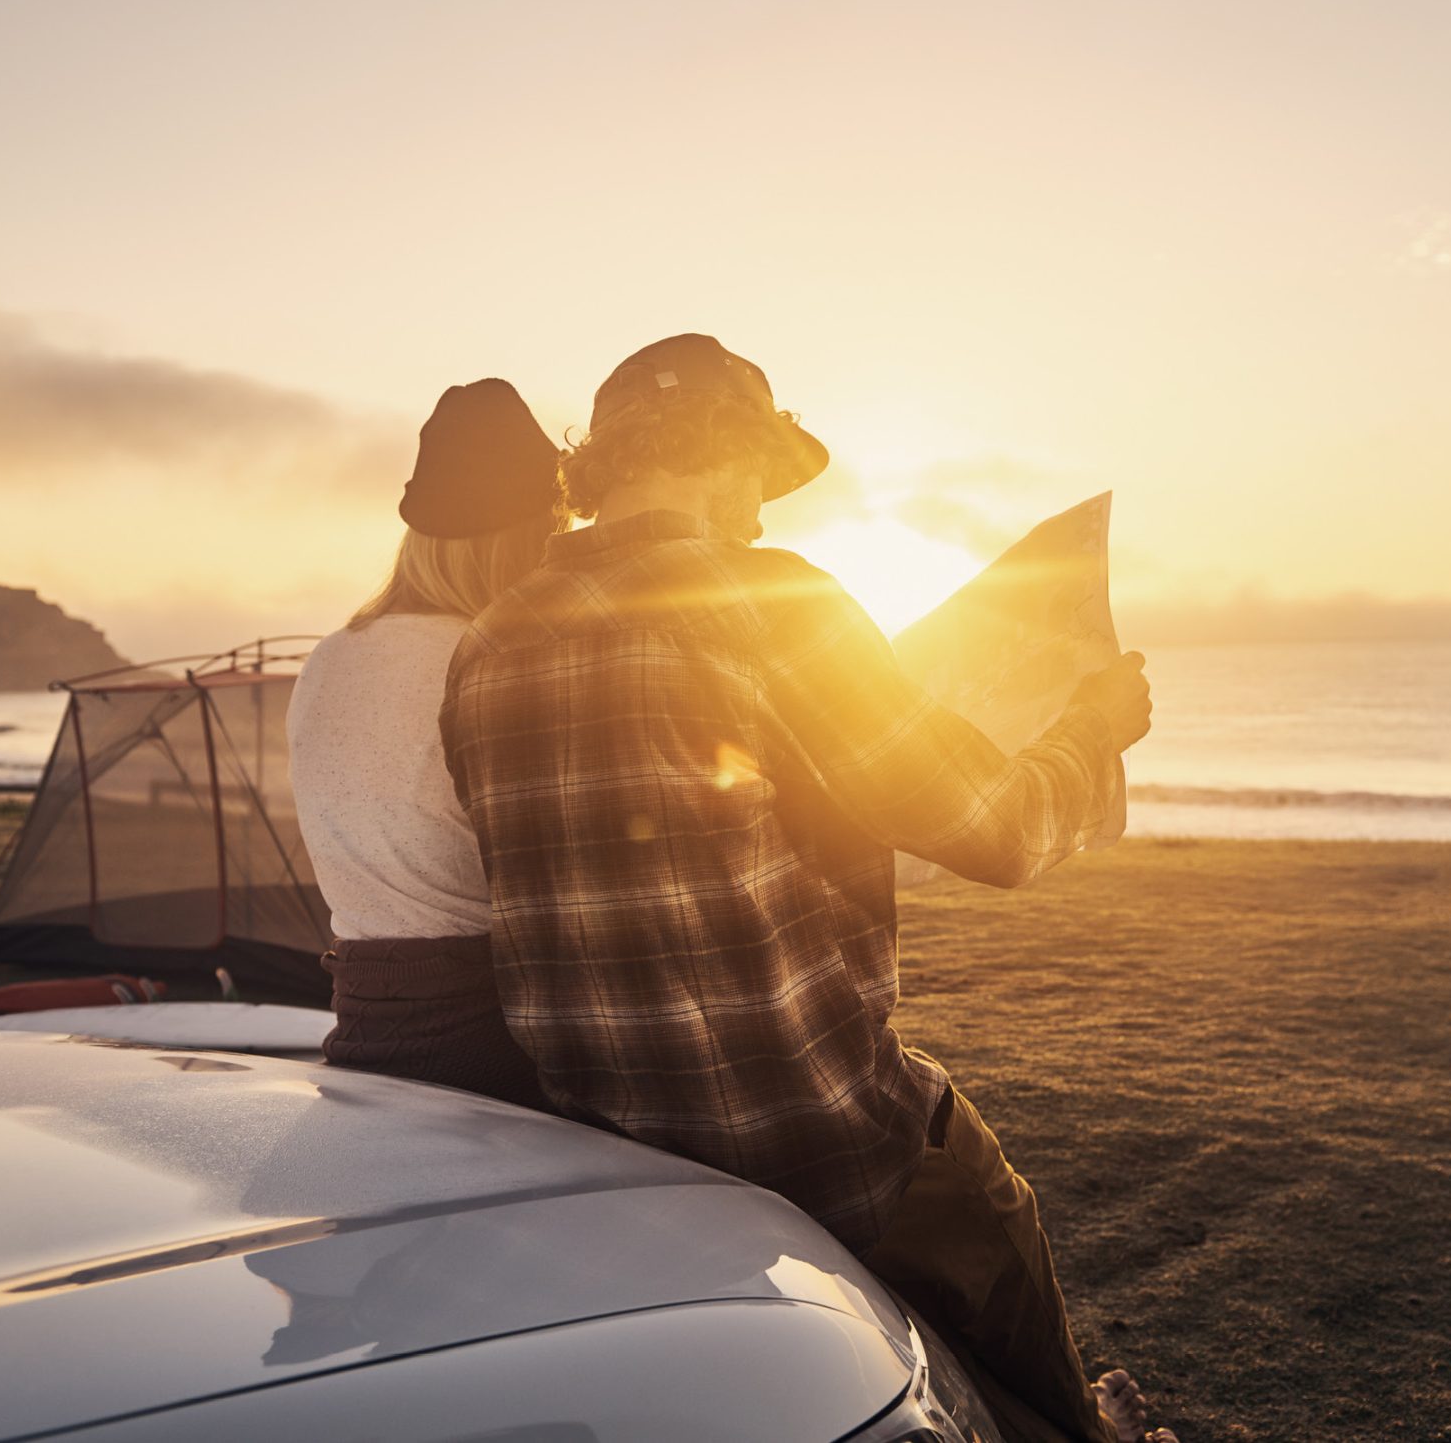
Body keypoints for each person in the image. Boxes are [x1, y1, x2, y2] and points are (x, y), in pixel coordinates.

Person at [439, 335, 1174, 1443]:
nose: (761, 514)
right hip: (816, 1134)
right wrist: (1090, 729)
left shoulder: (487, 641)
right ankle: (1083, 1430)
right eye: (758, 478)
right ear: (719, 451)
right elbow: (999, 830)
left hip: (612, 1149)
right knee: (994, 1221)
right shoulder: (771, 599)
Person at [289, 378, 565, 1111]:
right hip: (487, 1030)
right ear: (526, 534)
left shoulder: (331, 655)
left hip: (359, 1015)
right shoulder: (489, 661)